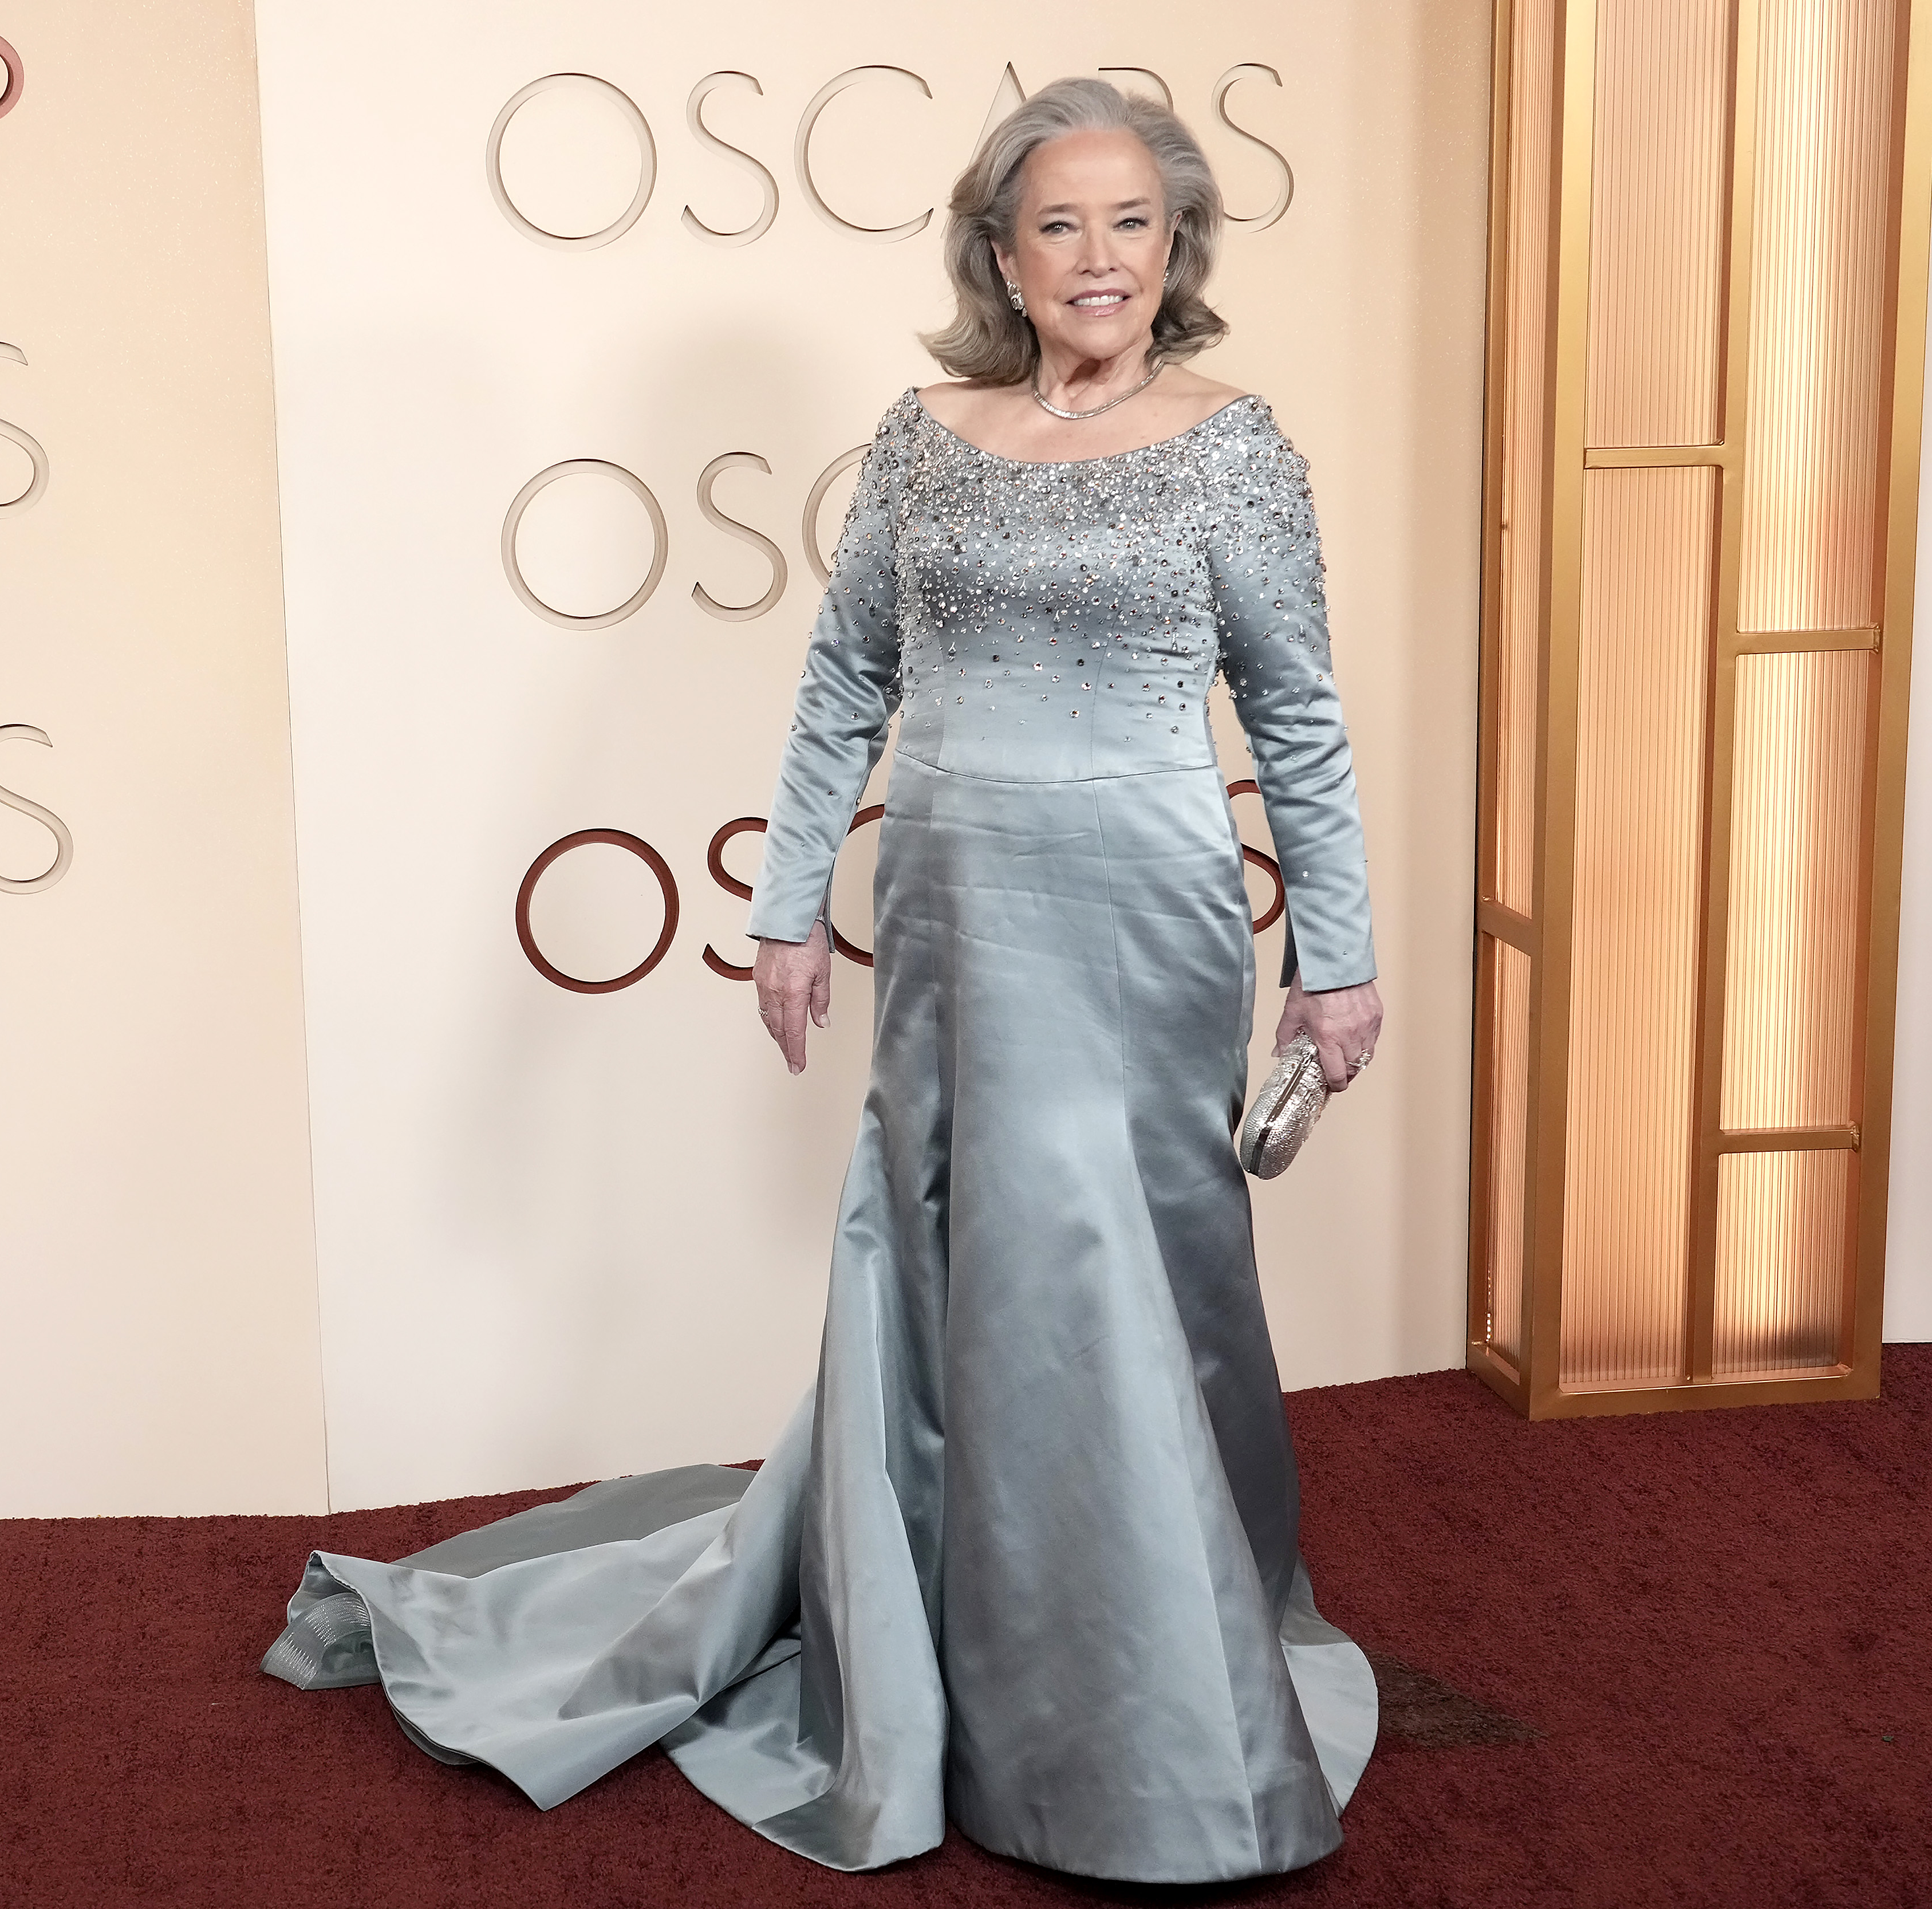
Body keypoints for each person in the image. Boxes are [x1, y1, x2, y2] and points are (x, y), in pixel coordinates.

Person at [265, 77, 1384, 1884]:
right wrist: (786, 908)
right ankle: (953, 1654)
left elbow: (1300, 717)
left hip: (1141, 916)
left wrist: (1340, 962)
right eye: (1061, 225)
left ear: (1177, 245)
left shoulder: (1236, 446)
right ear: (1000, 254)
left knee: (1115, 1265)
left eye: (1133, 223)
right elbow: (845, 675)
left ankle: (1151, 1695)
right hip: (950, 909)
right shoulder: (924, 436)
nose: (1100, 258)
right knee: (953, 1268)